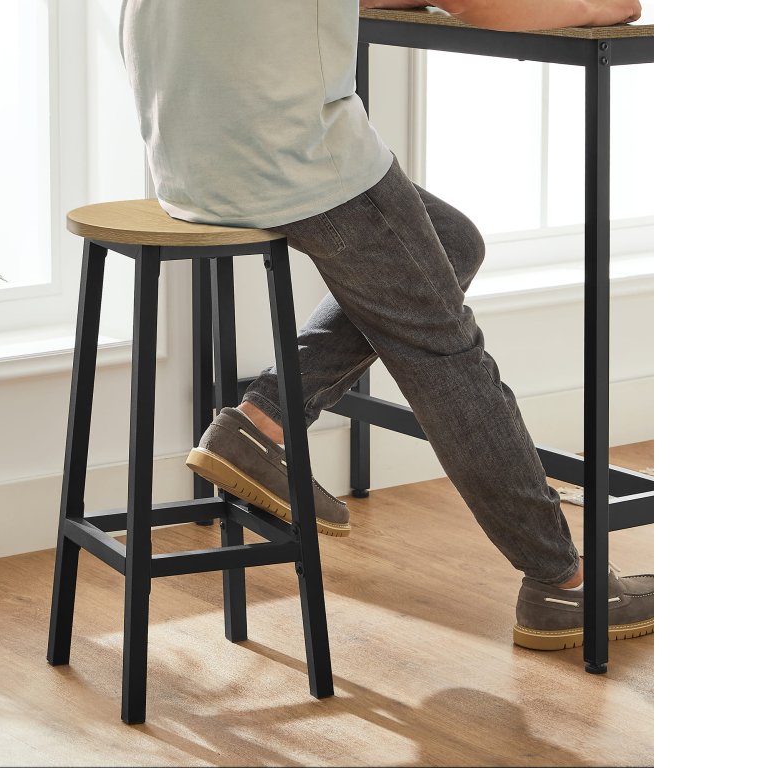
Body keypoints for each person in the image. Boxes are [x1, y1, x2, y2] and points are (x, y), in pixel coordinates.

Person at [118, 0, 652, 650]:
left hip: (190, 155)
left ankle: (260, 424)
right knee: (445, 354)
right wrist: (601, 6)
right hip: (287, 156)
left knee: (450, 244)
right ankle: (564, 583)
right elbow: (486, 5)